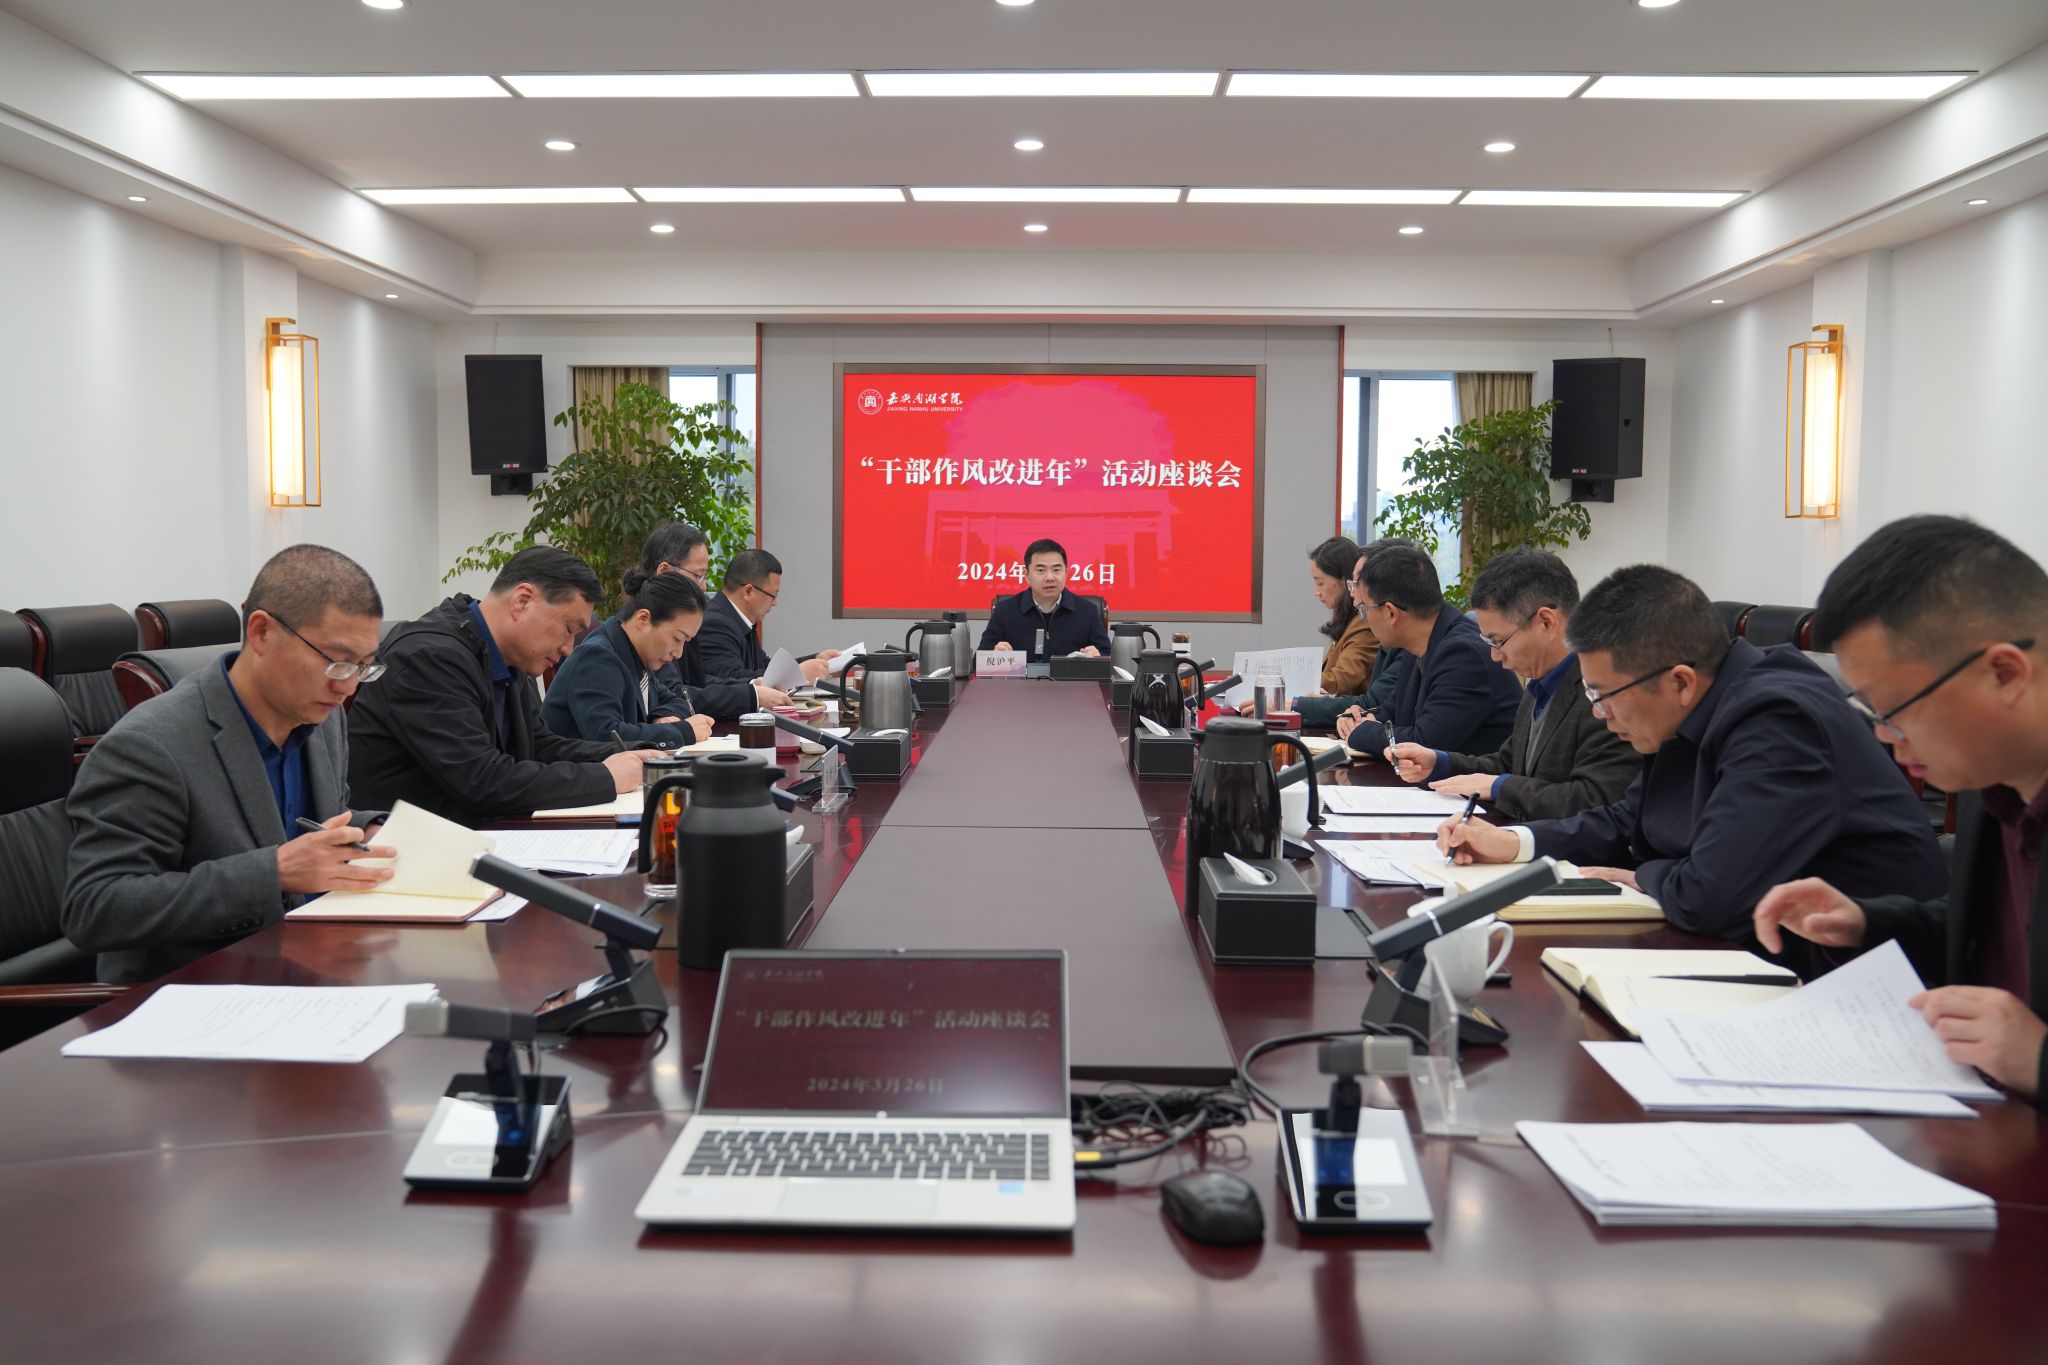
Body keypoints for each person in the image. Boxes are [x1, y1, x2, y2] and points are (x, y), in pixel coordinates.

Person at [1437, 563, 1947, 946]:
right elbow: (1626, 820)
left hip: (1853, 978)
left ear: (1679, 682)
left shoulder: (1778, 718)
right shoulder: (1691, 706)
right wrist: (1514, 842)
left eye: (1602, 694)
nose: (1597, 713)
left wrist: (1645, 876)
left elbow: (1709, 896)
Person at [1753, 516, 2047, 1102]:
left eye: (1893, 711)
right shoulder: (1987, 776)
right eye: (1870, 713)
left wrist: (2039, 1059)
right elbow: (1988, 940)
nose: (1885, 737)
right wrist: (1865, 924)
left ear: (2005, 673)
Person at [63, 545, 397, 983]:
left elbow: (310, 822)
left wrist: (367, 829)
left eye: (363, 667)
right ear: (261, 633)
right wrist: (273, 873)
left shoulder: (323, 719)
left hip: (308, 965)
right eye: (336, 662)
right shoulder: (149, 745)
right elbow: (96, 907)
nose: (347, 687)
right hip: (197, 992)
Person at [348, 546, 657, 827]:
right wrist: (606, 777)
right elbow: (483, 781)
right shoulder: (428, 658)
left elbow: (541, 747)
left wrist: (633, 754)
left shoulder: (508, 656)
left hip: (477, 834)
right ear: (522, 601)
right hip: (413, 851)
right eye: (567, 629)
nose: (568, 648)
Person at [1385, 549, 1637, 822]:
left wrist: (1500, 787)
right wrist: (1440, 762)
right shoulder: (1539, 683)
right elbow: (1509, 763)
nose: (1495, 656)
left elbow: (1595, 800)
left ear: (1546, 622)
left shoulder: (1604, 693)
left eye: (1499, 641)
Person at [1338, 543, 1520, 758]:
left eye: (1363, 609)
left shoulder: (1463, 654)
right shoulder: (1418, 644)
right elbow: (1390, 713)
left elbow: (1425, 743)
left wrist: (1359, 732)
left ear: (1391, 613)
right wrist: (1358, 717)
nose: (1363, 618)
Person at [542, 568, 718, 749]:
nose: (678, 653)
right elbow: (608, 736)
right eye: (677, 638)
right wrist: (682, 731)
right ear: (643, 619)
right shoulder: (598, 658)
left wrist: (661, 717)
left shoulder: (633, 653)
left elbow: (677, 701)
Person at [636, 521, 791, 718]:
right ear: (665, 571)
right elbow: (674, 694)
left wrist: (752, 686)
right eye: (698, 575)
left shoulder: (679, 623)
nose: (704, 586)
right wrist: (751, 695)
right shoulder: (651, 625)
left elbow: (697, 682)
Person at [1296, 537, 1411, 728]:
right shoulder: (1352, 621)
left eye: (1320, 582)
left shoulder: (1368, 623)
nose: (1316, 591)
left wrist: (1294, 695)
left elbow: (1353, 688)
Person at [697, 547, 839, 687]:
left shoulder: (739, 619)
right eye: (773, 595)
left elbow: (765, 667)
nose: (775, 603)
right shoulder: (715, 623)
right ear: (748, 591)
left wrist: (817, 661)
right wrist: (798, 673)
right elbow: (731, 679)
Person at [980, 538, 1112, 661]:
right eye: (1041, 570)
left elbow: (1109, 658)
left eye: (1056, 570)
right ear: (1026, 574)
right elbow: (978, 661)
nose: (1050, 577)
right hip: (1022, 679)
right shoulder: (1005, 611)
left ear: (1066, 572)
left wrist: (1099, 657)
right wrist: (994, 654)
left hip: (1069, 680)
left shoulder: (1087, 611)